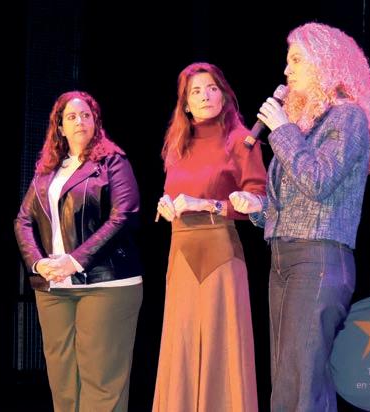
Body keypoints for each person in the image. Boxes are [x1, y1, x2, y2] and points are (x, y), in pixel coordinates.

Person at [230, 22, 370, 411]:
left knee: (305, 385)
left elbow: (318, 181)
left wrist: (282, 130)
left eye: (297, 60)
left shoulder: (347, 118)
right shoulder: (303, 126)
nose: (287, 70)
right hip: (283, 259)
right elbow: (296, 202)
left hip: (318, 259)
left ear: (326, 62)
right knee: (285, 381)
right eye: (288, 61)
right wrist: (259, 208)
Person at [14, 91, 143, 412]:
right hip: (54, 287)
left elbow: (123, 216)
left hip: (106, 283)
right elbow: (23, 220)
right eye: (71, 117)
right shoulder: (48, 170)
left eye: (86, 115)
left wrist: (74, 261)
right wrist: (38, 263)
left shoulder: (112, 161)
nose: (79, 121)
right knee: (63, 383)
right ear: (59, 127)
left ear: (96, 122)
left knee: (101, 381)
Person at [153, 62, 266, 412]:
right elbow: (172, 192)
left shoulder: (242, 141)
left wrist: (208, 204)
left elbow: (258, 202)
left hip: (220, 254)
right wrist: (165, 205)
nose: (205, 96)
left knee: (222, 347)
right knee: (182, 349)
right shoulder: (177, 145)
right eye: (196, 91)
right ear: (185, 104)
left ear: (224, 96)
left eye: (212, 88)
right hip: (180, 256)